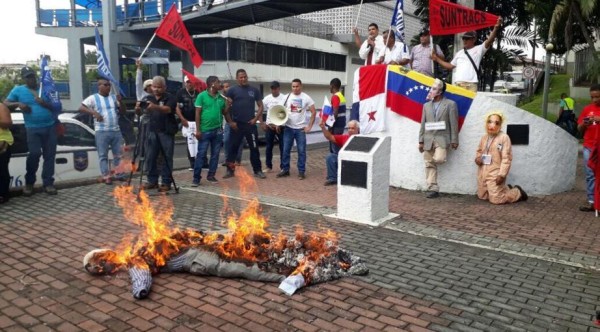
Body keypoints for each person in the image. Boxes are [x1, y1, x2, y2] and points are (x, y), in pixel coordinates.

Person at [3, 66, 61, 196]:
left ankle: (48, 183)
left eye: (32, 76)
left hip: (50, 127)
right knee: (34, 154)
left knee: (50, 156)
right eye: (28, 77)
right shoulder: (18, 90)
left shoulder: (46, 88)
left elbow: (57, 107)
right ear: (23, 78)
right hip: (32, 128)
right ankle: (29, 182)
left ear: (36, 76)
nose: (31, 79)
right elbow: (5, 103)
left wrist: (44, 103)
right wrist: (18, 104)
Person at [432, 17, 502, 92]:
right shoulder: (459, 53)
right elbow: (450, 66)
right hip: (458, 84)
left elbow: (489, 40)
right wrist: (437, 59)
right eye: (464, 38)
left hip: (471, 85)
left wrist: (496, 28)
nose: (465, 40)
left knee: (470, 104)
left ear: (474, 39)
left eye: (467, 39)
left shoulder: (479, 49)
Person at [79, 78, 127, 184]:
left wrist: (121, 101)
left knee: (119, 154)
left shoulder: (114, 98)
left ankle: (120, 174)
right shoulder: (93, 98)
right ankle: (106, 176)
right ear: (99, 86)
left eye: (109, 85)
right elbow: (81, 108)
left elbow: (123, 111)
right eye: (105, 85)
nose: (108, 87)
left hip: (115, 130)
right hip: (102, 131)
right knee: (103, 155)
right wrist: (94, 113)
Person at [135, 76, 178, 192]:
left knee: (166, 158)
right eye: (154, 87)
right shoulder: (148, 98)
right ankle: (152, 181)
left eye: (159, 87)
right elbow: (141, 113)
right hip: (152, 130)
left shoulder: (171, 97)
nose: (156, 89)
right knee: (150, 156)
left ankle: (166, 182)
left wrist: (155, 107)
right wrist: (138, 109)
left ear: (164, 87)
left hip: (166, 131)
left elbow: (168, 109)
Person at [418, 79, 459, 198]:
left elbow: (454, 123)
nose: (431, 90)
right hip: (428, 139)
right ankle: (433, 188)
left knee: (439, 159)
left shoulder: (450, 104)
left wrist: (454, 140)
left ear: (440, 91)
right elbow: (423, 124)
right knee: (428, 163)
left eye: (434, 88)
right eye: (431, 88)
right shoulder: (426, 105)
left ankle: (432, 165)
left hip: (442, 138)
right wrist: (420, 140)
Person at [475, 112, 527, 204]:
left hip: (495, 172)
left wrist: (502, 175)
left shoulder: (504, 138)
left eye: (496, 123)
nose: (492, 125)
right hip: (482, 171)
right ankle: (506, 189)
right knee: (482, 196)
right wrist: (478, 158)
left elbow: (506, 158)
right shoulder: (484, 137)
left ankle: (517, 192)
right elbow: (479, 151)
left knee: (496, 200)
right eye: (490, 122)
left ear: (500, 125)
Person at [223, 69, 266, 179]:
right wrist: (231, 122)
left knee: (254, 148)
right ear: (237, 78)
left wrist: (255, 118)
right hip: (237, 125)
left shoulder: (254, 90)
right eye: (241, 77)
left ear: (247, 77)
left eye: (245, 77)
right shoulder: (232, 90)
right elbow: (226, 110)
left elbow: (261, 106)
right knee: (233, 148)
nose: (243, 79)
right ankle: (230, 171)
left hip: (250, 124)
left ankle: (257, 170)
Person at [277, 79, 316, 180]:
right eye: (293, 86)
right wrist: (278, 123)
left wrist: (309, 126)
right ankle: (285, 170)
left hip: (300, 129)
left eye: (297, 86)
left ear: (301, 86)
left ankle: (301, 171)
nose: (295, 88)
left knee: (301, 151)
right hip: (288, 128)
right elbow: (280, 111)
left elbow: (313, 112)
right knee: (285, 150)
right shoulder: (286, 97)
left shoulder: (306, 97)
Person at [192, 76, 228, 186]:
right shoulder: (202, 96)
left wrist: (229, 104)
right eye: (218, 82)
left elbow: (224, 112)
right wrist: (198, 130)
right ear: (212, 84)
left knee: (215, 154)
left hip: (217, 130)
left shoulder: (221, 97)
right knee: (201, 154)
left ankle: (211, 175)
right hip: (204, 130)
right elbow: (197, 113)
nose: (220, 84)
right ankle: (196, 178)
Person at [577, 84, 600, 212]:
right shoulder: (587, 109)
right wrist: (584, 124)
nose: (595, 100)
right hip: (589, 147)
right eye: (592, 97)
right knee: (590, 174)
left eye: (597, 97)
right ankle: (591, 201)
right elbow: (579, 128)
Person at [319, 120, 359, 186]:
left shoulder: (362, 138)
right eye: (349, 128)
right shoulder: (344, 137)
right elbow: (329, 137)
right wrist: (323, 128)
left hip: (356, 164)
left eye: (352, 128)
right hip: (344, 162)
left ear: (358, 129)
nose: (350, 130)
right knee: (330, 157)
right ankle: (332, 179)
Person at [176, 76, 201, 170]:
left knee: (199, 141)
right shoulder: (180, 93)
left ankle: (200, 161)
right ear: (185, 83)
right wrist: (182, 119)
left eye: (191, 82)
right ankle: (192, 163)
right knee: (190, 142)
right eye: (188, 82)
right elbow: (177, 107)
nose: (190, 84)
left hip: (197, 121)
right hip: (187, 121)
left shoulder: (198, 93)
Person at [261, 81, 287, 172]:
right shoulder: (267, 98)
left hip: (281, 126)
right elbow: (260, 109)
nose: (274, 90)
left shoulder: (284, 98)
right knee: (269, 147)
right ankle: (268, 166)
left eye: (275, 88)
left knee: (282, 147)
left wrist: (279, 124)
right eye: (272, 88)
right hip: (270, 126)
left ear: (279, 88)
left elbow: (286, 113)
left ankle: (283, 167)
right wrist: (262, 123)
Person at [222, 81, 243, 166]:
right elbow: (224, 112)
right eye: (226, 87)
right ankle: (228, 159)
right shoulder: (222, 99)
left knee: (239, 141)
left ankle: (237, 160)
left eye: (229, 86)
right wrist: (228, 104)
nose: (228, 88)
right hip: (228, 123)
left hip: (238, 121)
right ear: (223, 89)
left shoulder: (236, 96)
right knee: (226, 140)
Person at [328, 78, 347, 154]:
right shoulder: (341, 95)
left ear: (332, 86)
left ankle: (335, 164)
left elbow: (335, 113)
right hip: (341, 124)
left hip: (336, 126)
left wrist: (330, 126)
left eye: (330, 86)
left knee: (334, 148)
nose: (329, 88)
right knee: (338, 145)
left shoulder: (335, 97)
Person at [0, 103, 13, 204]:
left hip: (2, 140)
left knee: (1, 169)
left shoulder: (1, 106)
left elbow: (7, 123)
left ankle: (3, 194)